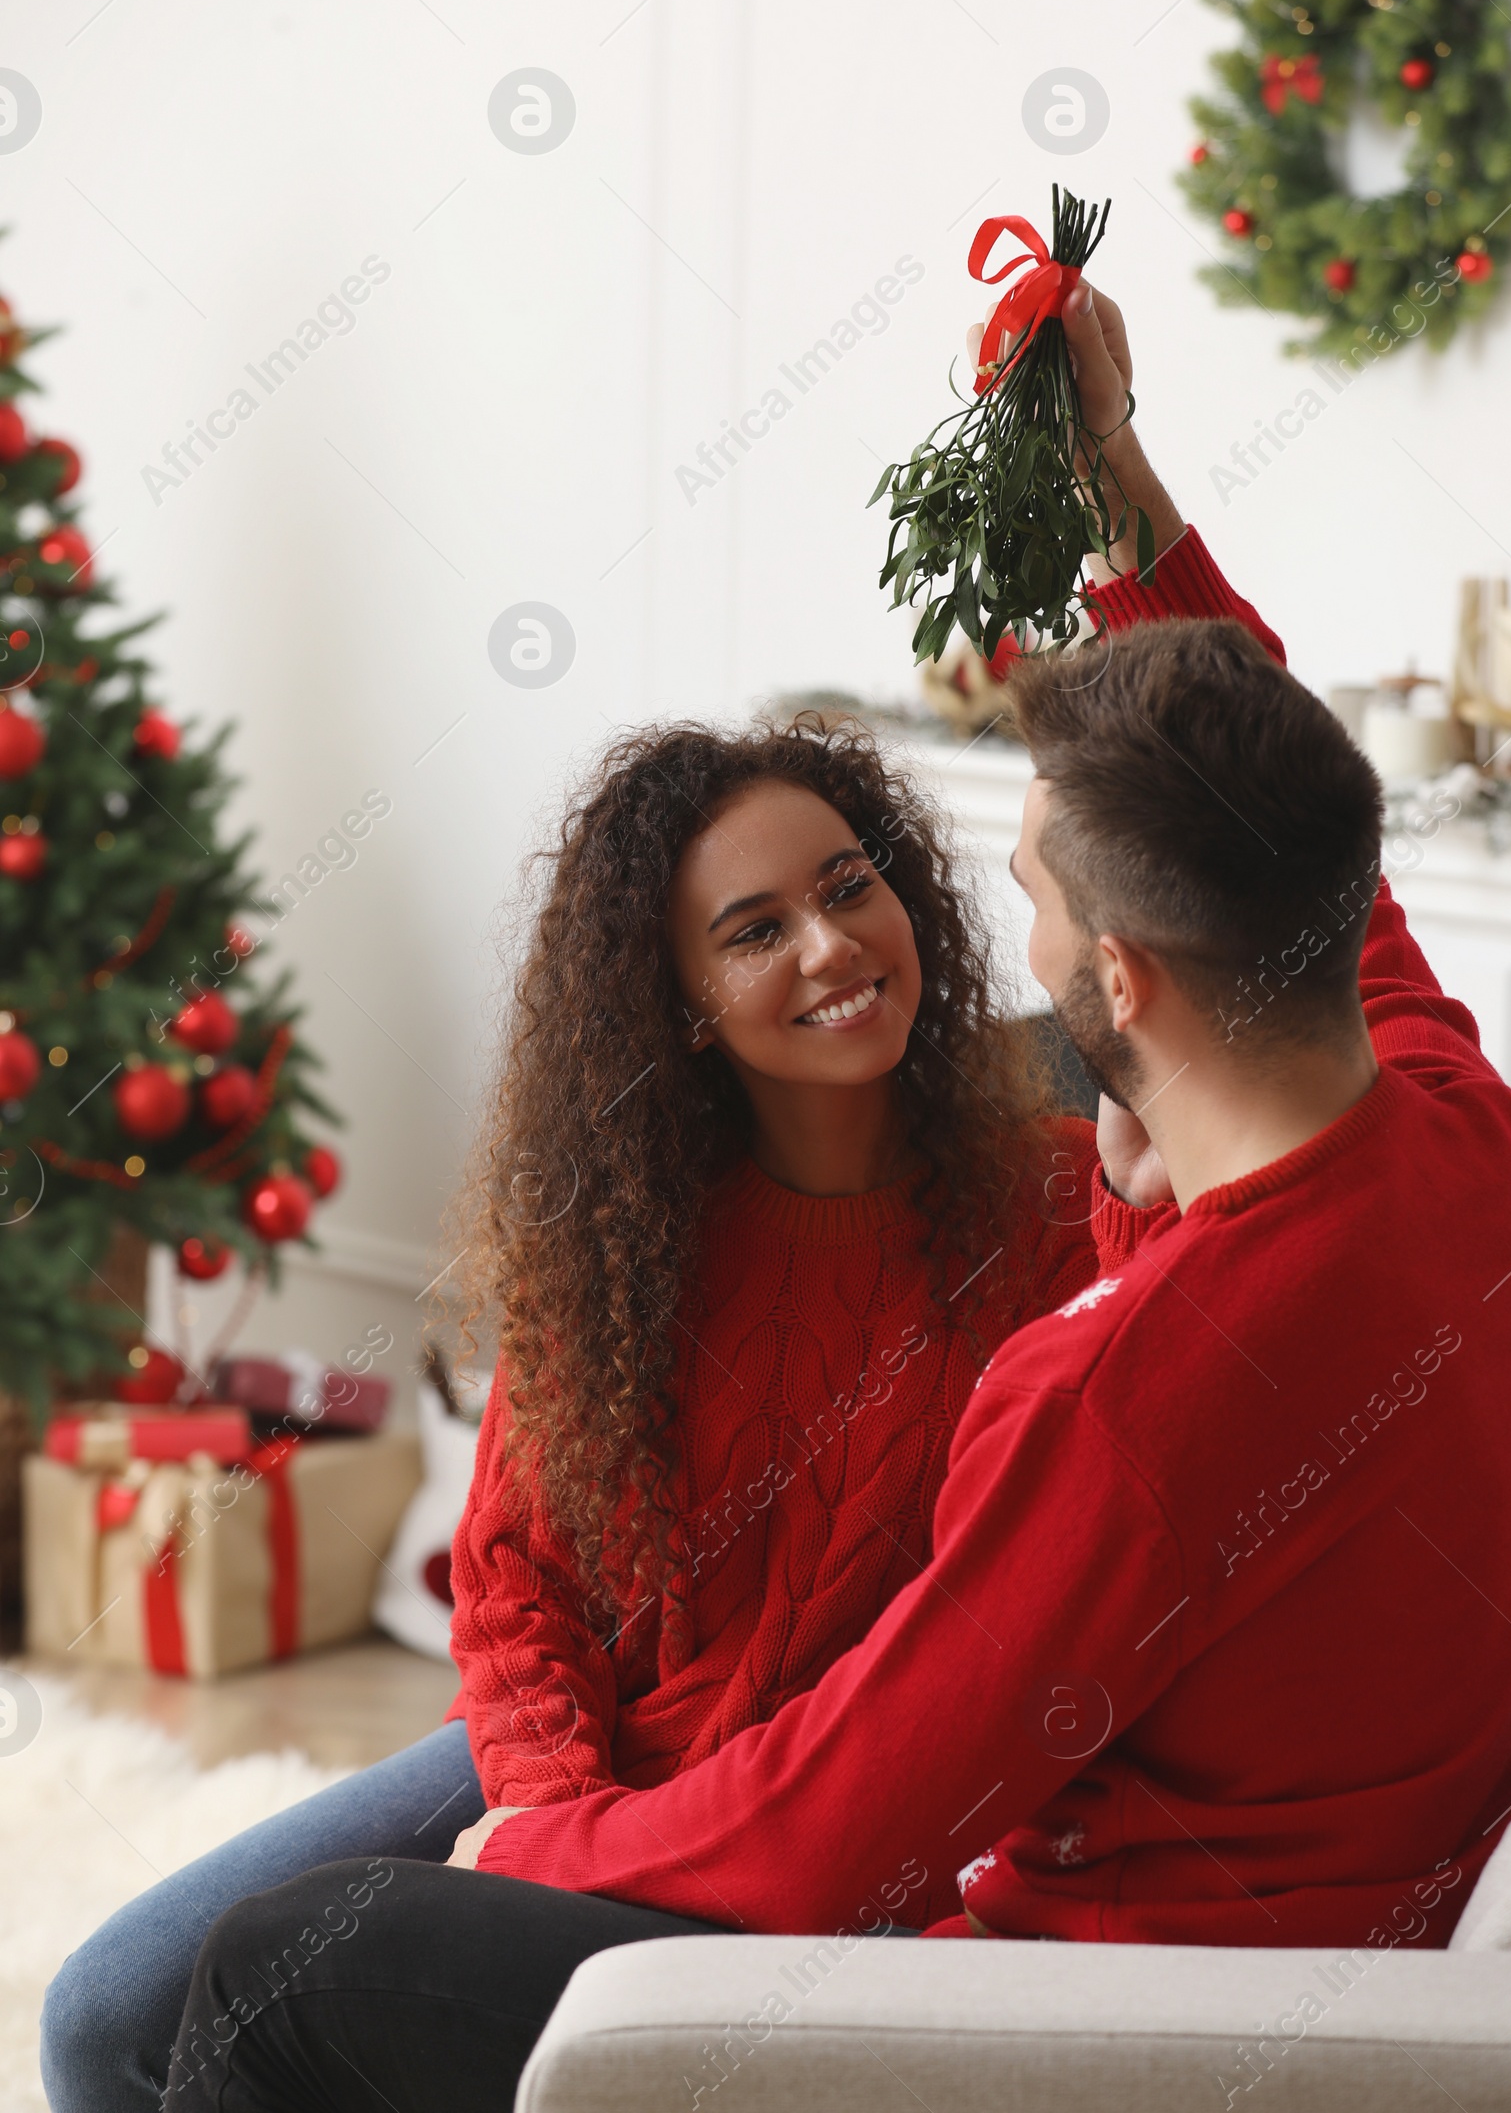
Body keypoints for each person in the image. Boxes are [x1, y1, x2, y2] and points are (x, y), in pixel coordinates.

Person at [160, 278, 1511, 2113]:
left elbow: (838, 1829)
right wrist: (1115, 481)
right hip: (1255, 1910)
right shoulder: (1480, 1146)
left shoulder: (1121, 1391)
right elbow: (1306, 834)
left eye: (1032, 889)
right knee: (153, 1998)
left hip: (1046, 2025)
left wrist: (528, 1854)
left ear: (1128, 980)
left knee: (265, 1976)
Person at [45, 580, 1129, 2113]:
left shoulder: (1063, 1209)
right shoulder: (620, 1234)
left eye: (850, 883)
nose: (834, 947)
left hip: (806, 1817)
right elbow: (515, 1589)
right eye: (757, 931)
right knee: (102, 2018)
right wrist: (555, 1831)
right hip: (577, 1761)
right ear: (680, 1003)